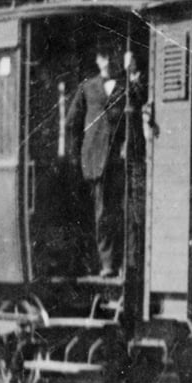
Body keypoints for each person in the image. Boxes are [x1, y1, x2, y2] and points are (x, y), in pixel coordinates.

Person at [60, 39, 144, 276]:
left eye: (111, 56)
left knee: (123, 212)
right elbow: (71, 122)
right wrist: (77, 155)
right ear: (98, 60)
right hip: (95, 160)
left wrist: (134, 71)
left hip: (120, 158)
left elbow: (140, 99)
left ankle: (125, 263)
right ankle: (107, 263)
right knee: (101, 213)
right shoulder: (88, 87)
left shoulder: (126, 86)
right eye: (103, 57)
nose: (107, 62)